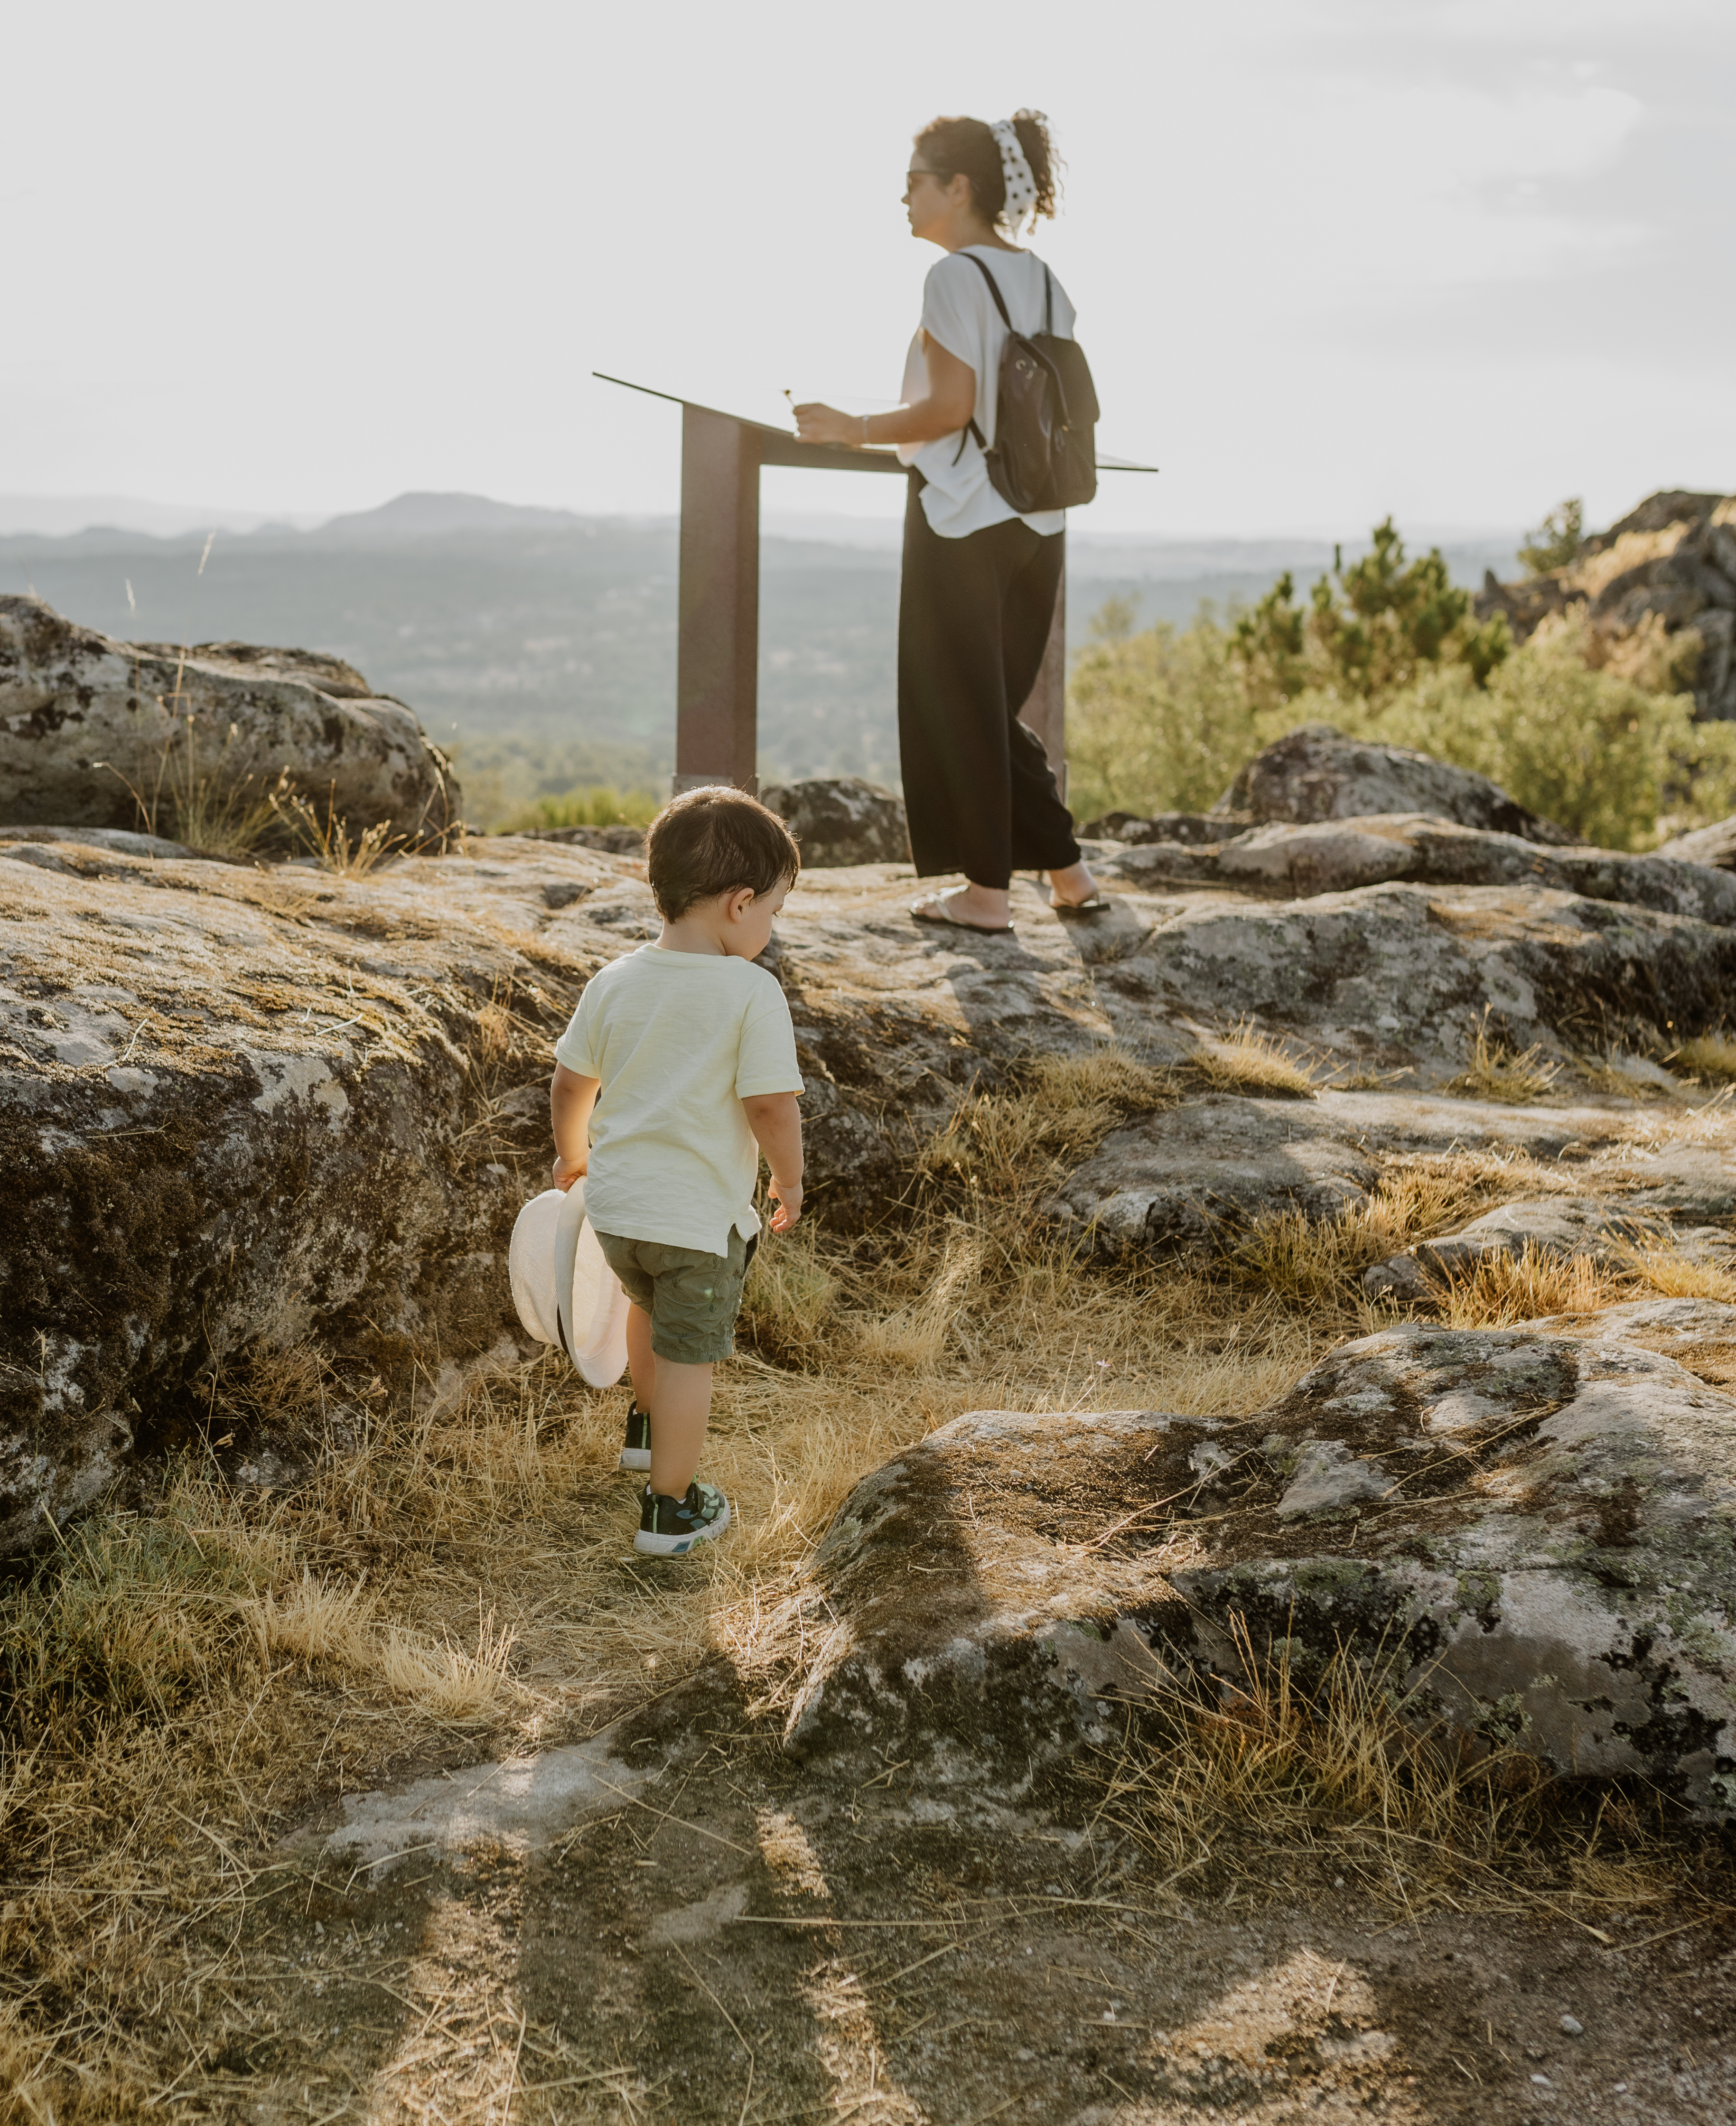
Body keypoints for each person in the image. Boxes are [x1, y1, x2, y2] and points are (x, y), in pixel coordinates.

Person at [792, 109, 1103, 936]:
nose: (903, 199)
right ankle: (1067, 873)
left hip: (965, 516)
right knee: (991, 704)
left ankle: (987, 896)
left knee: (956, 703)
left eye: (915, 183)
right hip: (1042, 519)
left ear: (958, 188)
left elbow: (951, 408)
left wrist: (846, 425)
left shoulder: (953, 278)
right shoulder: (1043, 277)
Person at [548, 787, 806, 1557]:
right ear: (739, 903)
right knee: (691, 1352)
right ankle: (671, 1508)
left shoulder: (617, 979)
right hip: (696, 1221)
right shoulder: (751, 992)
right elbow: (770, 1107)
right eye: (773, 912)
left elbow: (570, 1084)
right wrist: (789, 1182)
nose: (769, 928)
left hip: (619, 1210)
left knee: (645, 1309)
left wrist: (572, 1155)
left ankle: (646, 1428)